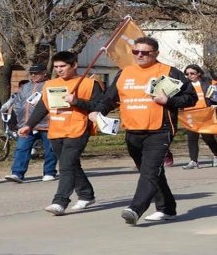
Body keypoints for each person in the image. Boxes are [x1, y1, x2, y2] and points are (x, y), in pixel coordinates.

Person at [77, 37, 197, 225]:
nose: (139, 55)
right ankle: (167, 208)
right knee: (151, 171)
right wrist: (97, 112)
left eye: (145, 52)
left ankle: (135, 209)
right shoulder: (125, 72)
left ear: (155, 53)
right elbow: (109, 98)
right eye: (136, 52)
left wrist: (169, 101)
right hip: (132, 130)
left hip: (159, 129)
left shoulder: (169, 72)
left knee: (149, 172)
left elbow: (191, 97)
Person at [18, 52, 102, 216]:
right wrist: (29, 125)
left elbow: (100, 105)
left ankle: (60, 201)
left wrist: (77, 102)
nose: (59, 70)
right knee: (71, 164)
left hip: (78, 129)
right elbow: (43, 107)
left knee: (66, 165)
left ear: (74, 65)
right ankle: (86, 195)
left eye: (63, 66)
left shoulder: (89, 84)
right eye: (56, 67)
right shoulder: (50, 84)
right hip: (56, 129)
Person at [4, 65, 57, 183]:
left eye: (36, 73)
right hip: (26, 125)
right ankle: (17, 173)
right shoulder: (25, 87)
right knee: (21, 148)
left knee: (50, 149)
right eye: (31, 73)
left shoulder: (51, 85)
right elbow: (17, 104)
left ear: (44, 73)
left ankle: (49, 172)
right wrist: (15, 120)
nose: (33, 75)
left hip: (47, 124)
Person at [181, 64, 217, 169]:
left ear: (199, 73)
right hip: (190, 114)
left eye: (192, 73)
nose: (189, 76)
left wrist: (213, 95)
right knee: (191, 138)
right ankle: (193, 161)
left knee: (208, 137)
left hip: (205, 113)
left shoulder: (208, 83)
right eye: (187, 74)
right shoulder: (184, 85)